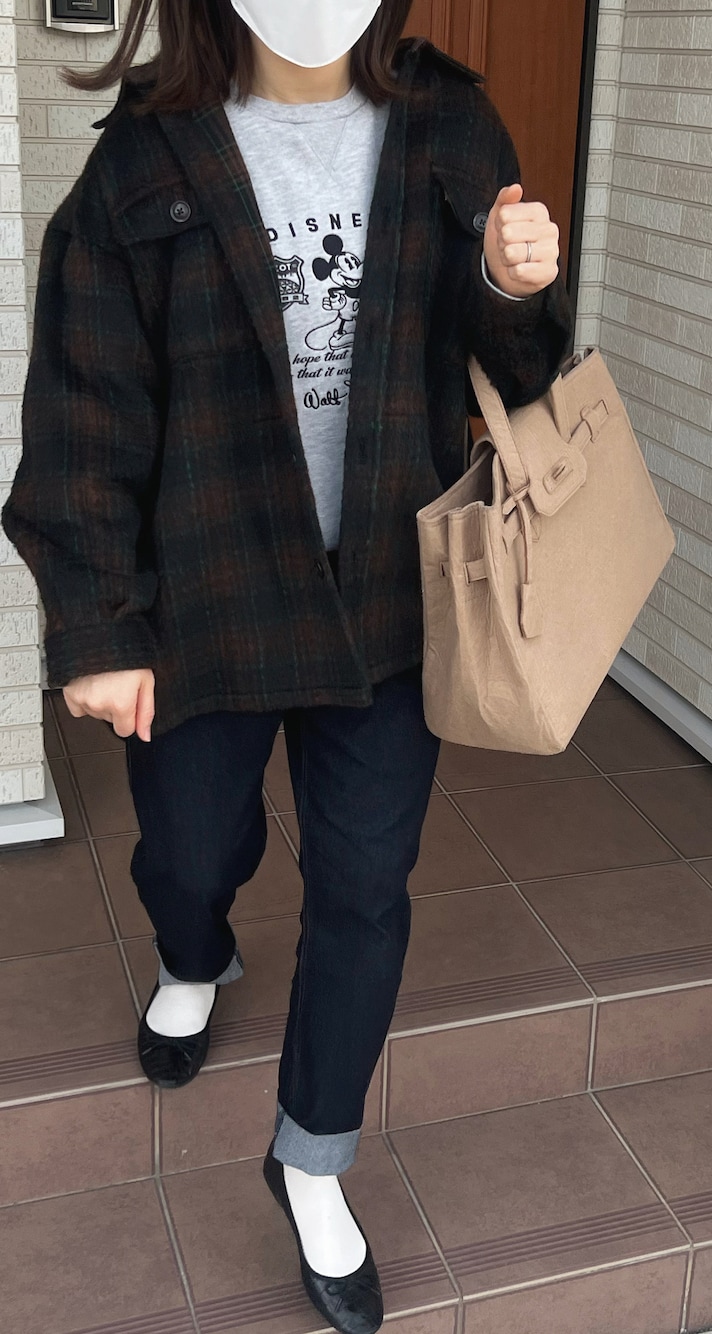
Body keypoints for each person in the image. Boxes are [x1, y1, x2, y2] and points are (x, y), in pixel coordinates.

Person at [1, 2, 572, 1330]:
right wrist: (98, 623)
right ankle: (194, 953)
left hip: (386, 592)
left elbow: (515, 373)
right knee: (192, 846)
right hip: (208, 589)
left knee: (365, 884)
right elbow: (84, 399)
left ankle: (313, 1158)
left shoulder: (450, 121)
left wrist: (513, 289)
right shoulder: (147, 152)